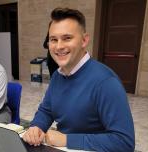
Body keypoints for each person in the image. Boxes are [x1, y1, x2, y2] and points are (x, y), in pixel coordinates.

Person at [23, 8, 135, 152]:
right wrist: (36, 126)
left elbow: (124, 142)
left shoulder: (106, 82)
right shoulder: (58, 75)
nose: (59, 46)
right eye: (53, 39)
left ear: (84, 40)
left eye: (67, 38)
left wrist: (67, 139)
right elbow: (47, 110)